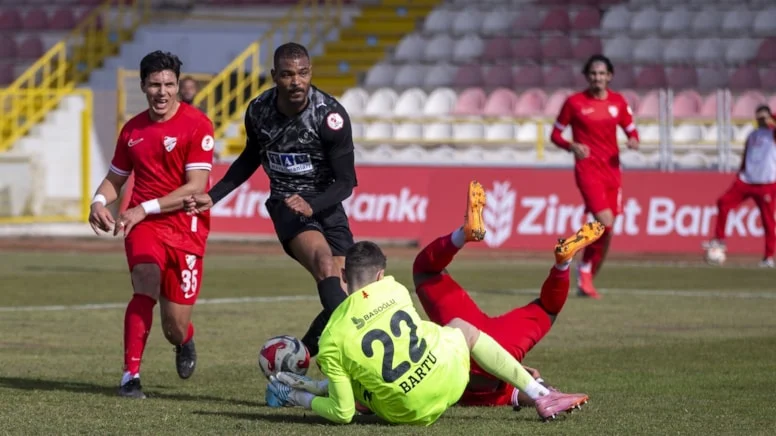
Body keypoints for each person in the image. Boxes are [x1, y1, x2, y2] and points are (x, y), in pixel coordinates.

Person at [265, 183, 590, 425]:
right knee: (463, 327)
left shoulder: (331, 338)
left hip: (405, 412)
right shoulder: (394, 289)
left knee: (353, 377)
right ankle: (541, 394)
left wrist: (299, 398)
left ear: (343, 280)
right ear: (381, 274)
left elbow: (343, 412)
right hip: (452, 379)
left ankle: (291, 389)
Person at [183, 42, 357, 358]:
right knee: (324, 264)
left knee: (349, 294)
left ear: (310, 73)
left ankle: (295, 358)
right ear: (275, 75)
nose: (296, 81)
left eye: (303, 73)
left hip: (326, 206)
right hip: (286, 205)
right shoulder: (259, 111)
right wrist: (214, 196)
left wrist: (314, 205)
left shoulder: (330, 116)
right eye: (288, 74)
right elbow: (251, 157)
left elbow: (347, 181)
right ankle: (361, 345)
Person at [88, 50, 216, 399]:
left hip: (186, 227)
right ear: (143, 85)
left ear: (178, 86)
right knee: (144, 281)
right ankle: (130, 376)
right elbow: (115, 178)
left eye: (169, 84)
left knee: (174, 327)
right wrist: (98, 202)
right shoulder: (132, 130)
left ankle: (184, 340)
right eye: (155, 84)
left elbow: (196, 187)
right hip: (143, 226)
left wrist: (142, 208)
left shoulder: (198, 124)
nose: (162, 91)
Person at [413, 181, 604, 407]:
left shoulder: (509, 391)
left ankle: (563, 264)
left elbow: (532, 392)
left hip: (491, 346)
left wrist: (543, 386)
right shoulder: (503, 393)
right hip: (471, 337)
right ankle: (463, 234)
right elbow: (526, 392)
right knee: (426, 272)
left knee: (548, 309)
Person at [550, 53, 640, 299]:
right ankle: (584, 268)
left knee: (607, 230)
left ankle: (585, 270)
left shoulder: (619, 102)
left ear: (609, 76)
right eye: (593, 74)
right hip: (587, 170)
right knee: (605, 221)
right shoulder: (574, 103)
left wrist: (633, 140)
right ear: (587, 77)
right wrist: (572, 146)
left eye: (602, 73)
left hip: (612, 171)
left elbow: (633, 131)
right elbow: (555, 135)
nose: (597, 78)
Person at [704, 105, 776, 268]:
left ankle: (768, 257)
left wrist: (771, 117)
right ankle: (720, 240)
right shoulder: (752, 134)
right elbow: (747, 155)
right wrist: (741, 172)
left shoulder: (773, 133)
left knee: (768, 221)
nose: (760, 120)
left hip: (766, 183)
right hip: (746, 180)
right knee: (723, 202)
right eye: (758, 117)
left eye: (763, 117)